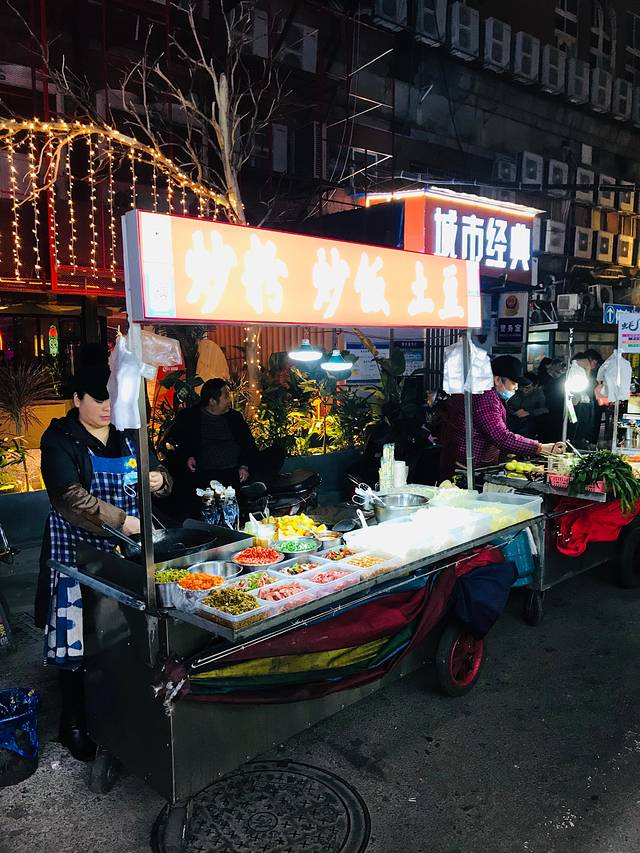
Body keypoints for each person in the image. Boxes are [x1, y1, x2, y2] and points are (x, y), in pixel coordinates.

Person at [35, 362, 172, 761]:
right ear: (77, 400)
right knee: (76, 636)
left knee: (118, 634)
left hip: (125, 553)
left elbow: (162, 475)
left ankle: (119, 711)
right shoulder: (59, 438)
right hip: (76, 553)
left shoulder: (128, 433)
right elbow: (69, 498)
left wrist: (160, 480)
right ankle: (73, 723)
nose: (107, 406)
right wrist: (122, 521)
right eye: (98, 399)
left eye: (111, 398)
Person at [439, 355, 565, 481]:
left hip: (465, 461)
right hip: (467, 466)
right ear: (497, 380)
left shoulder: (481, 391)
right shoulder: (486, 397)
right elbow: (500, 436)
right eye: (514, 382)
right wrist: (540, 448)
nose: (516, 387)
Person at [167, 377, 284, 502]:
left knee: (277, 451)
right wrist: (188, 456)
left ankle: (253, 487)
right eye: (226, 397)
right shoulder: (189, 417)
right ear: (212, 401)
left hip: (237, 471)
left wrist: (244, 466)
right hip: (206, 473)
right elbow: (176, 442)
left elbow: (249, 445)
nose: (229, 400)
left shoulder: (234, 417)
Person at [506, 372, 549, 439]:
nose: (523, 390)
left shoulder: (539, 394)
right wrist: (512, 412)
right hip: (510, 418)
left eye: (527, 388)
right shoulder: (515, 389)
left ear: (535, 386)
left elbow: (545, 410)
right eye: (521, 387)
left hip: (527, 421)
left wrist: (528, 412)